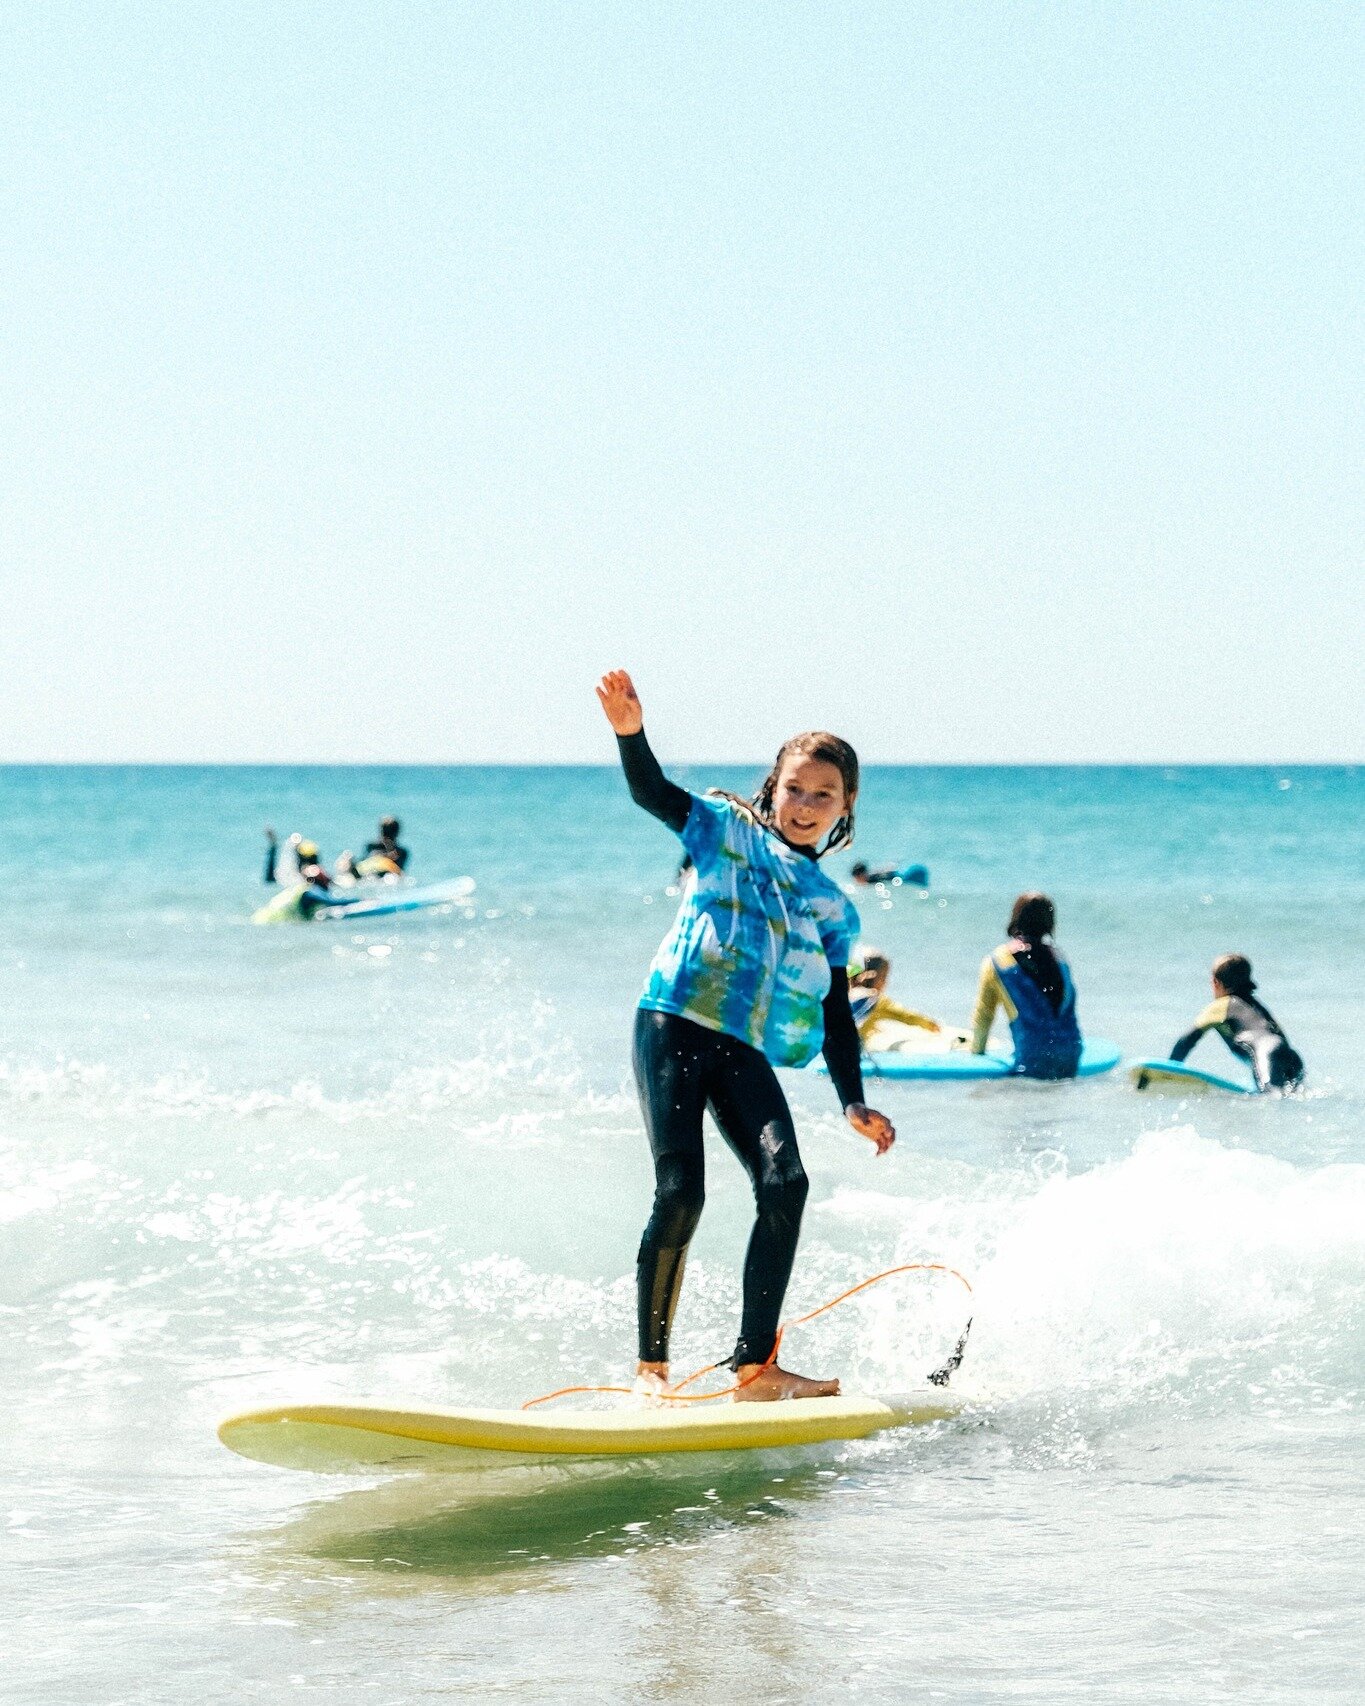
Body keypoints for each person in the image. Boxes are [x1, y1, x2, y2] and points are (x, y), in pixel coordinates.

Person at [596, 668, 895, 1404]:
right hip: (670, 1021)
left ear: (844, 806)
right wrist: (630, 733)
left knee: (785, 1181)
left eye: (822, 795)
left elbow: (831, 1006)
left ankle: (753, 1368)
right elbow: (652, 794)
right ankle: (650, 1373)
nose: (805, 805)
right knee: (681, 1192)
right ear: (774, 785)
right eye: (795, 788)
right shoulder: (722, 830)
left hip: (740, 1047)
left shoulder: (830, 904)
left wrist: (851, 1100)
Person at [970, 893, 1082, 1079]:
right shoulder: (1060, 959)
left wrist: (976, 1054)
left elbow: (984, 1015)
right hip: (1071, 1054)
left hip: (1032, 1060)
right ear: (1049, 922)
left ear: (1016, 918)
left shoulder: (997, 961)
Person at [1170, 954, 1303, 1091]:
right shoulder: (1257, 1006)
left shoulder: (1221, 1005)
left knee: (1270, 1096)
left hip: (1264, 1053)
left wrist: (1170, 1069)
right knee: (1285, 1097)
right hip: (1291, 1056)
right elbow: (1277, 1038)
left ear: (1216, 983)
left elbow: (1187, 1040)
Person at [849, 951, 950, 1051]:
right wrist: (931, 1025)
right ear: (871, 975)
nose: (885, 982)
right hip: (853, 1049)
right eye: (883, 977)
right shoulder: (874, 1000)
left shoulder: (846, 993)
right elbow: (906, 1016)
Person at [850, 861, 929, 887]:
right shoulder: (871, 877)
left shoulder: (872, 880)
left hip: (898, 878)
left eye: (856, 876)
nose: (855, 879)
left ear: (861, 875)